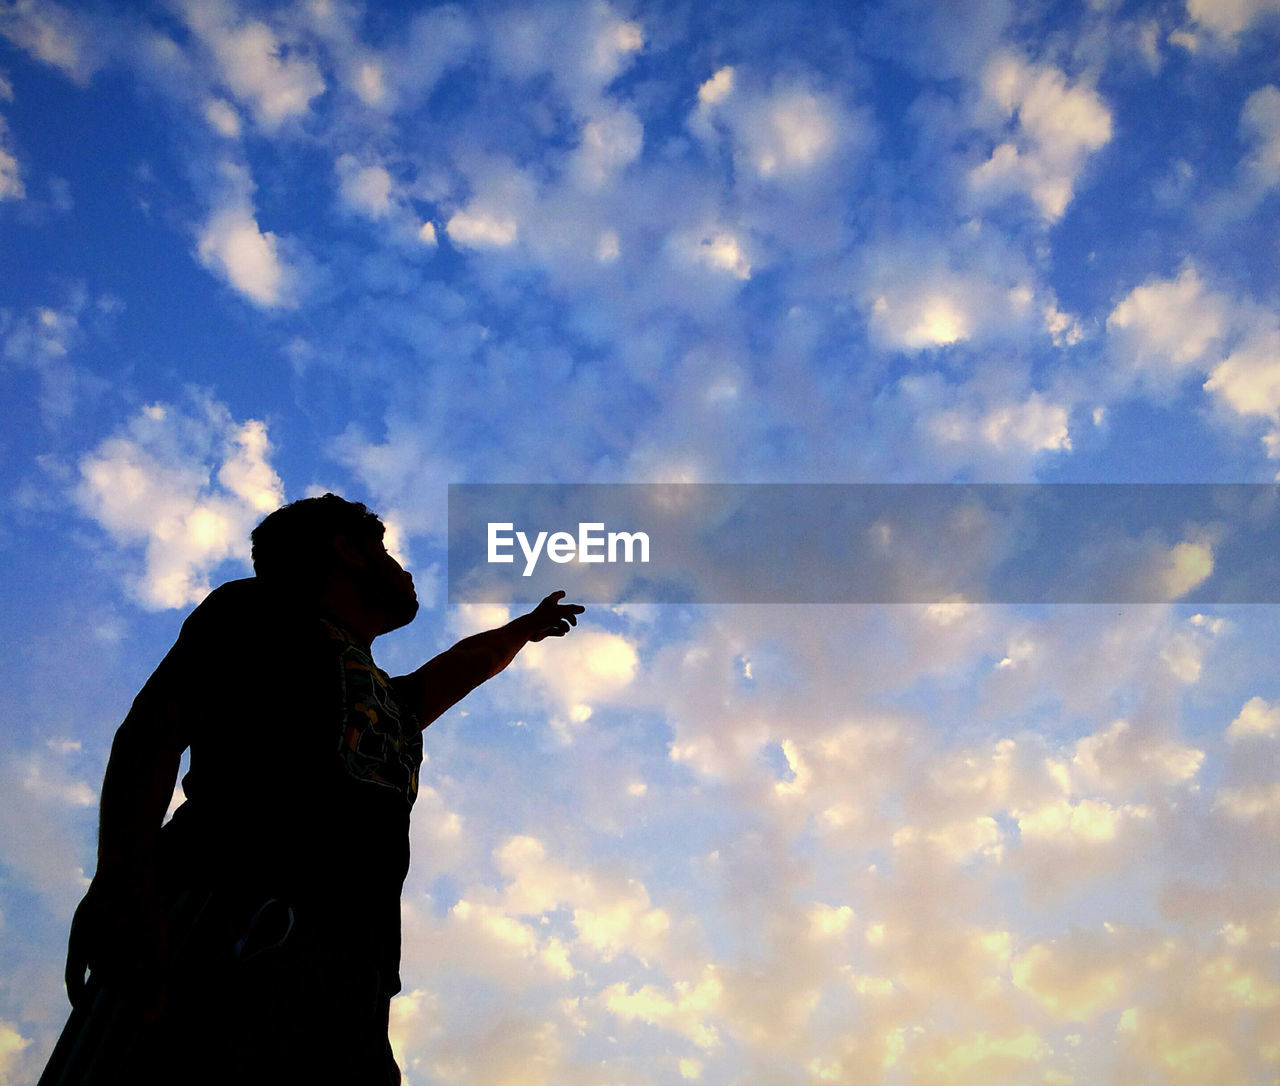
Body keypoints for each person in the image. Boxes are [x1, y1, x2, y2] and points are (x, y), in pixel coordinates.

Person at [46, 493, 583, 1085]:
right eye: (384, 549)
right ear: (345, 550)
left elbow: (463, 666)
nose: (402, 569)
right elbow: (152, 734)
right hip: (220, 918)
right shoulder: (259, 611)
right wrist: (126, 885)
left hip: (352, 969)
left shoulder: (387, 703)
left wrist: (524, 629)